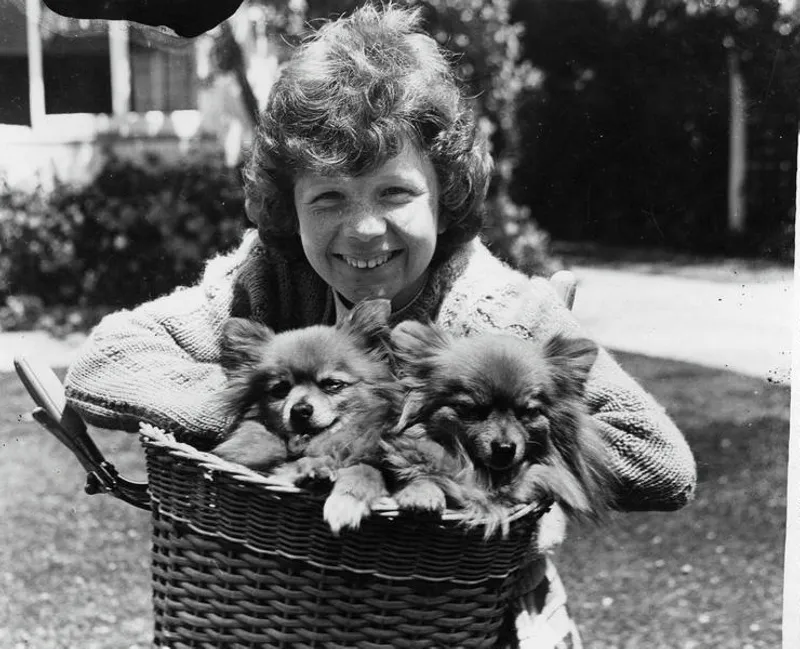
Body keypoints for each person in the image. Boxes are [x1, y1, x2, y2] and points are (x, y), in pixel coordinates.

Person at [64, 4, 696, 647]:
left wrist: (490, 465)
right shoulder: (266, 280)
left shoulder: (504, 313)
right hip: (285, 611)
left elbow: (660, 462)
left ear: (444, 193)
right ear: (290, 209)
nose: (364, 229)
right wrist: (262, 409)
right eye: (329, 197)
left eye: (394, 193)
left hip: (469, 619)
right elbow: (106, 363)